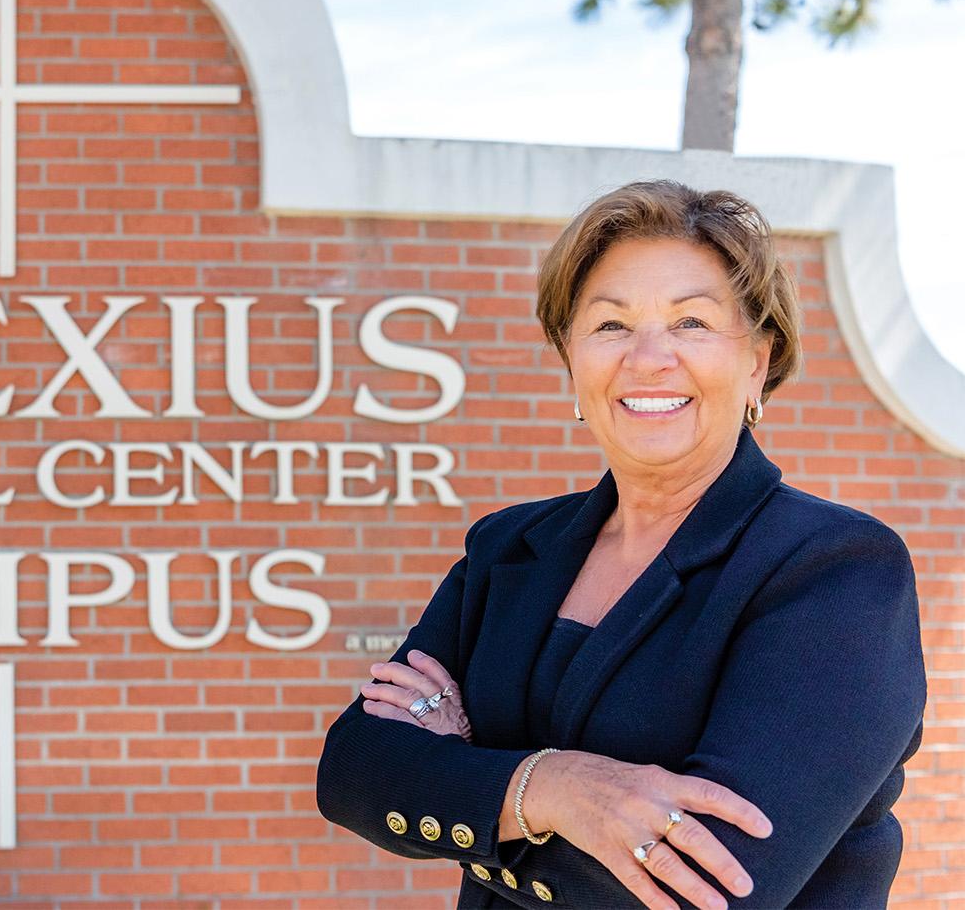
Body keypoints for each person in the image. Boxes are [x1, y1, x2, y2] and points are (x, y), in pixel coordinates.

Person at [315, 179, 927, 910]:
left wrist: (464, 777)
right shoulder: (507, 549)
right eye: (609, 326)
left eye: (692, 322)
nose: (648, 358)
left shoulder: (835, 570)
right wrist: (547, 788)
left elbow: (714, 886)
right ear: (572, 362)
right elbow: (353, 770)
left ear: (758, 362)